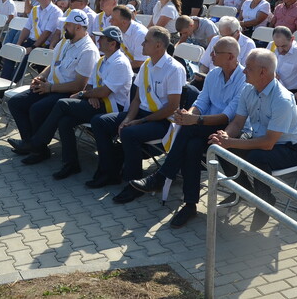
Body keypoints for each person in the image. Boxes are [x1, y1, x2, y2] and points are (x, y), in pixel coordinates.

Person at [128, 37, 246, 228]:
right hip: (201, 128)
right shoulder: (215, 74)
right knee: (190, 145)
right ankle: (189, 204)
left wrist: (195, 120)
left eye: (216, 52)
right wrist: (188, 114)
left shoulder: (243, 79)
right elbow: (201, 102)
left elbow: (228, 116)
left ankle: (163, 175)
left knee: (189, 131)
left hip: (228, 131)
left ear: (231, 56)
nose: (211, 55)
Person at [13, 26, 133, 179]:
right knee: (65, 121)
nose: (99, 40)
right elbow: (91, 84)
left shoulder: (120, 63)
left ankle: (37, 141)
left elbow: (103, 92)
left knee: (63, 104)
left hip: (111, 108)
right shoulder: (103, 59)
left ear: (112, 44)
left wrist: (85, 94)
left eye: (102, 38)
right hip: (97, 102)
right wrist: (90, 95)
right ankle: (71, 164)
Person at [208, 49, 297, 229]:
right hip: (261, 140)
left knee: (256, 157)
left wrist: (232, 142)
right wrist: (225, 137)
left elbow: (269, 143)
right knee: (221, 148)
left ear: (263, 72)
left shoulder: (282, 99)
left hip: (288, 148)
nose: (244, 71)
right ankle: (244, 192)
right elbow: (237, 122)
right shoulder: (248, 89)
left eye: (249, 68)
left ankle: (264, 202)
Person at [89, 26, 185, 200]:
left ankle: (134, 184)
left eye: (146, 41)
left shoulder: (174, 69)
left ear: (158, 46)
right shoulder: (147, 65)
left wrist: (139, 122)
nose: (142, 43)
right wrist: (127, 118)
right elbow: (137, 99)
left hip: (163, 121)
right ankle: (109, 171)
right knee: (99, 122)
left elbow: (172, 107)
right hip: (143, 114)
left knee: (129, 133)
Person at [7, 9, 99, 156]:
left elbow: (79, 85)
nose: (64, 27)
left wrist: (50, 88)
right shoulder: (64, 42)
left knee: (37, 109)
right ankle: (30, 143)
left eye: (67, 24)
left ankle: (37, 149)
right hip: (50, 86)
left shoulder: (88, 50)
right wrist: (41, 76)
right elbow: (53, 64)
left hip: (66, 92)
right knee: (15, 102)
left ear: (78, 27)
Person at [267, 26, 297, 94]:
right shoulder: (271, 45)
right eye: (277, 46)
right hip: (270, 88)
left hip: (289, 93)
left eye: (284, 46)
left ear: (292, 39)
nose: (280, 50)